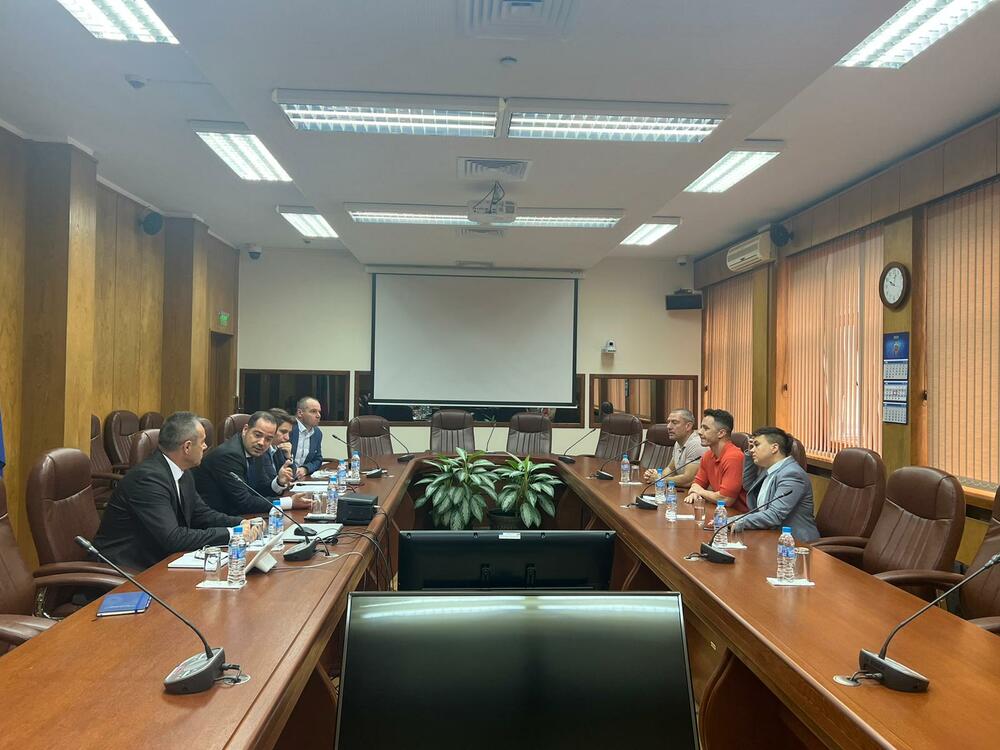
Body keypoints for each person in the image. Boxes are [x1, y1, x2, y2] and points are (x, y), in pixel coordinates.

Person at [92, 412, 260, 572]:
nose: (205, 447)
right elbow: (172, 538)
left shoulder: (182, 471)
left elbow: (201, 514)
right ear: (187, 447)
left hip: (158, 559)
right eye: (202, 442)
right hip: (127, 568)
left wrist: (240, 523)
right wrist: (231, 534)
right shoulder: (147, 479)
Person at [194, 410, 310, 516]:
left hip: (243, 515)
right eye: (257, 435)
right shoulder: (229, 455)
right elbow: (244, 501)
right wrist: (290, 502)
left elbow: (259, 488)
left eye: (268, 439)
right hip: (220, 518)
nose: (261, 443)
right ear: (245, 430)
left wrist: (278, 482)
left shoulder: (254, 450)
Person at [732, 427, 820, 542]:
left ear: (774, 448)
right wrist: (749, 454)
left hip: (795, 542)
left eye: (757, 445)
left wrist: (735, 521)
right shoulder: (770, 469)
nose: (752, 450)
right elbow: (748, 486)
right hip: (770, 535)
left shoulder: (792, 474)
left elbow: (774, 515)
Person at [683, 409, 748, 513]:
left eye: (706, 428)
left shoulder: (734, 457)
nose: (699, 432)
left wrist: (700, 492)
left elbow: (726, 499)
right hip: (719, 512)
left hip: (739, 516)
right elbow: (697, 484)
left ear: (721, 433)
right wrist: (694, 493)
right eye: (701, 427)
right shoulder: (708, 455)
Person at [643, 409, 707, 487]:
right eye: (668, 422)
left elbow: (689, 480)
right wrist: (656, 476)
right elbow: (670, 469)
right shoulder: (678, 442)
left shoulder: (696, 444)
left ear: (688, 426)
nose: (668, 426)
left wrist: (659, 479)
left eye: (674, 422)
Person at [290, 396, 323, 478]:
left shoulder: (317, 433)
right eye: (313, 411)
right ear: (300, 413)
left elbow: (318, 459)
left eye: (319, 412)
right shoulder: (288, 428)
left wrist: (305, 469)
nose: (318, 415)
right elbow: (279, 458)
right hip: (283, 477)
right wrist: (294, 470)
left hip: (302, 478)